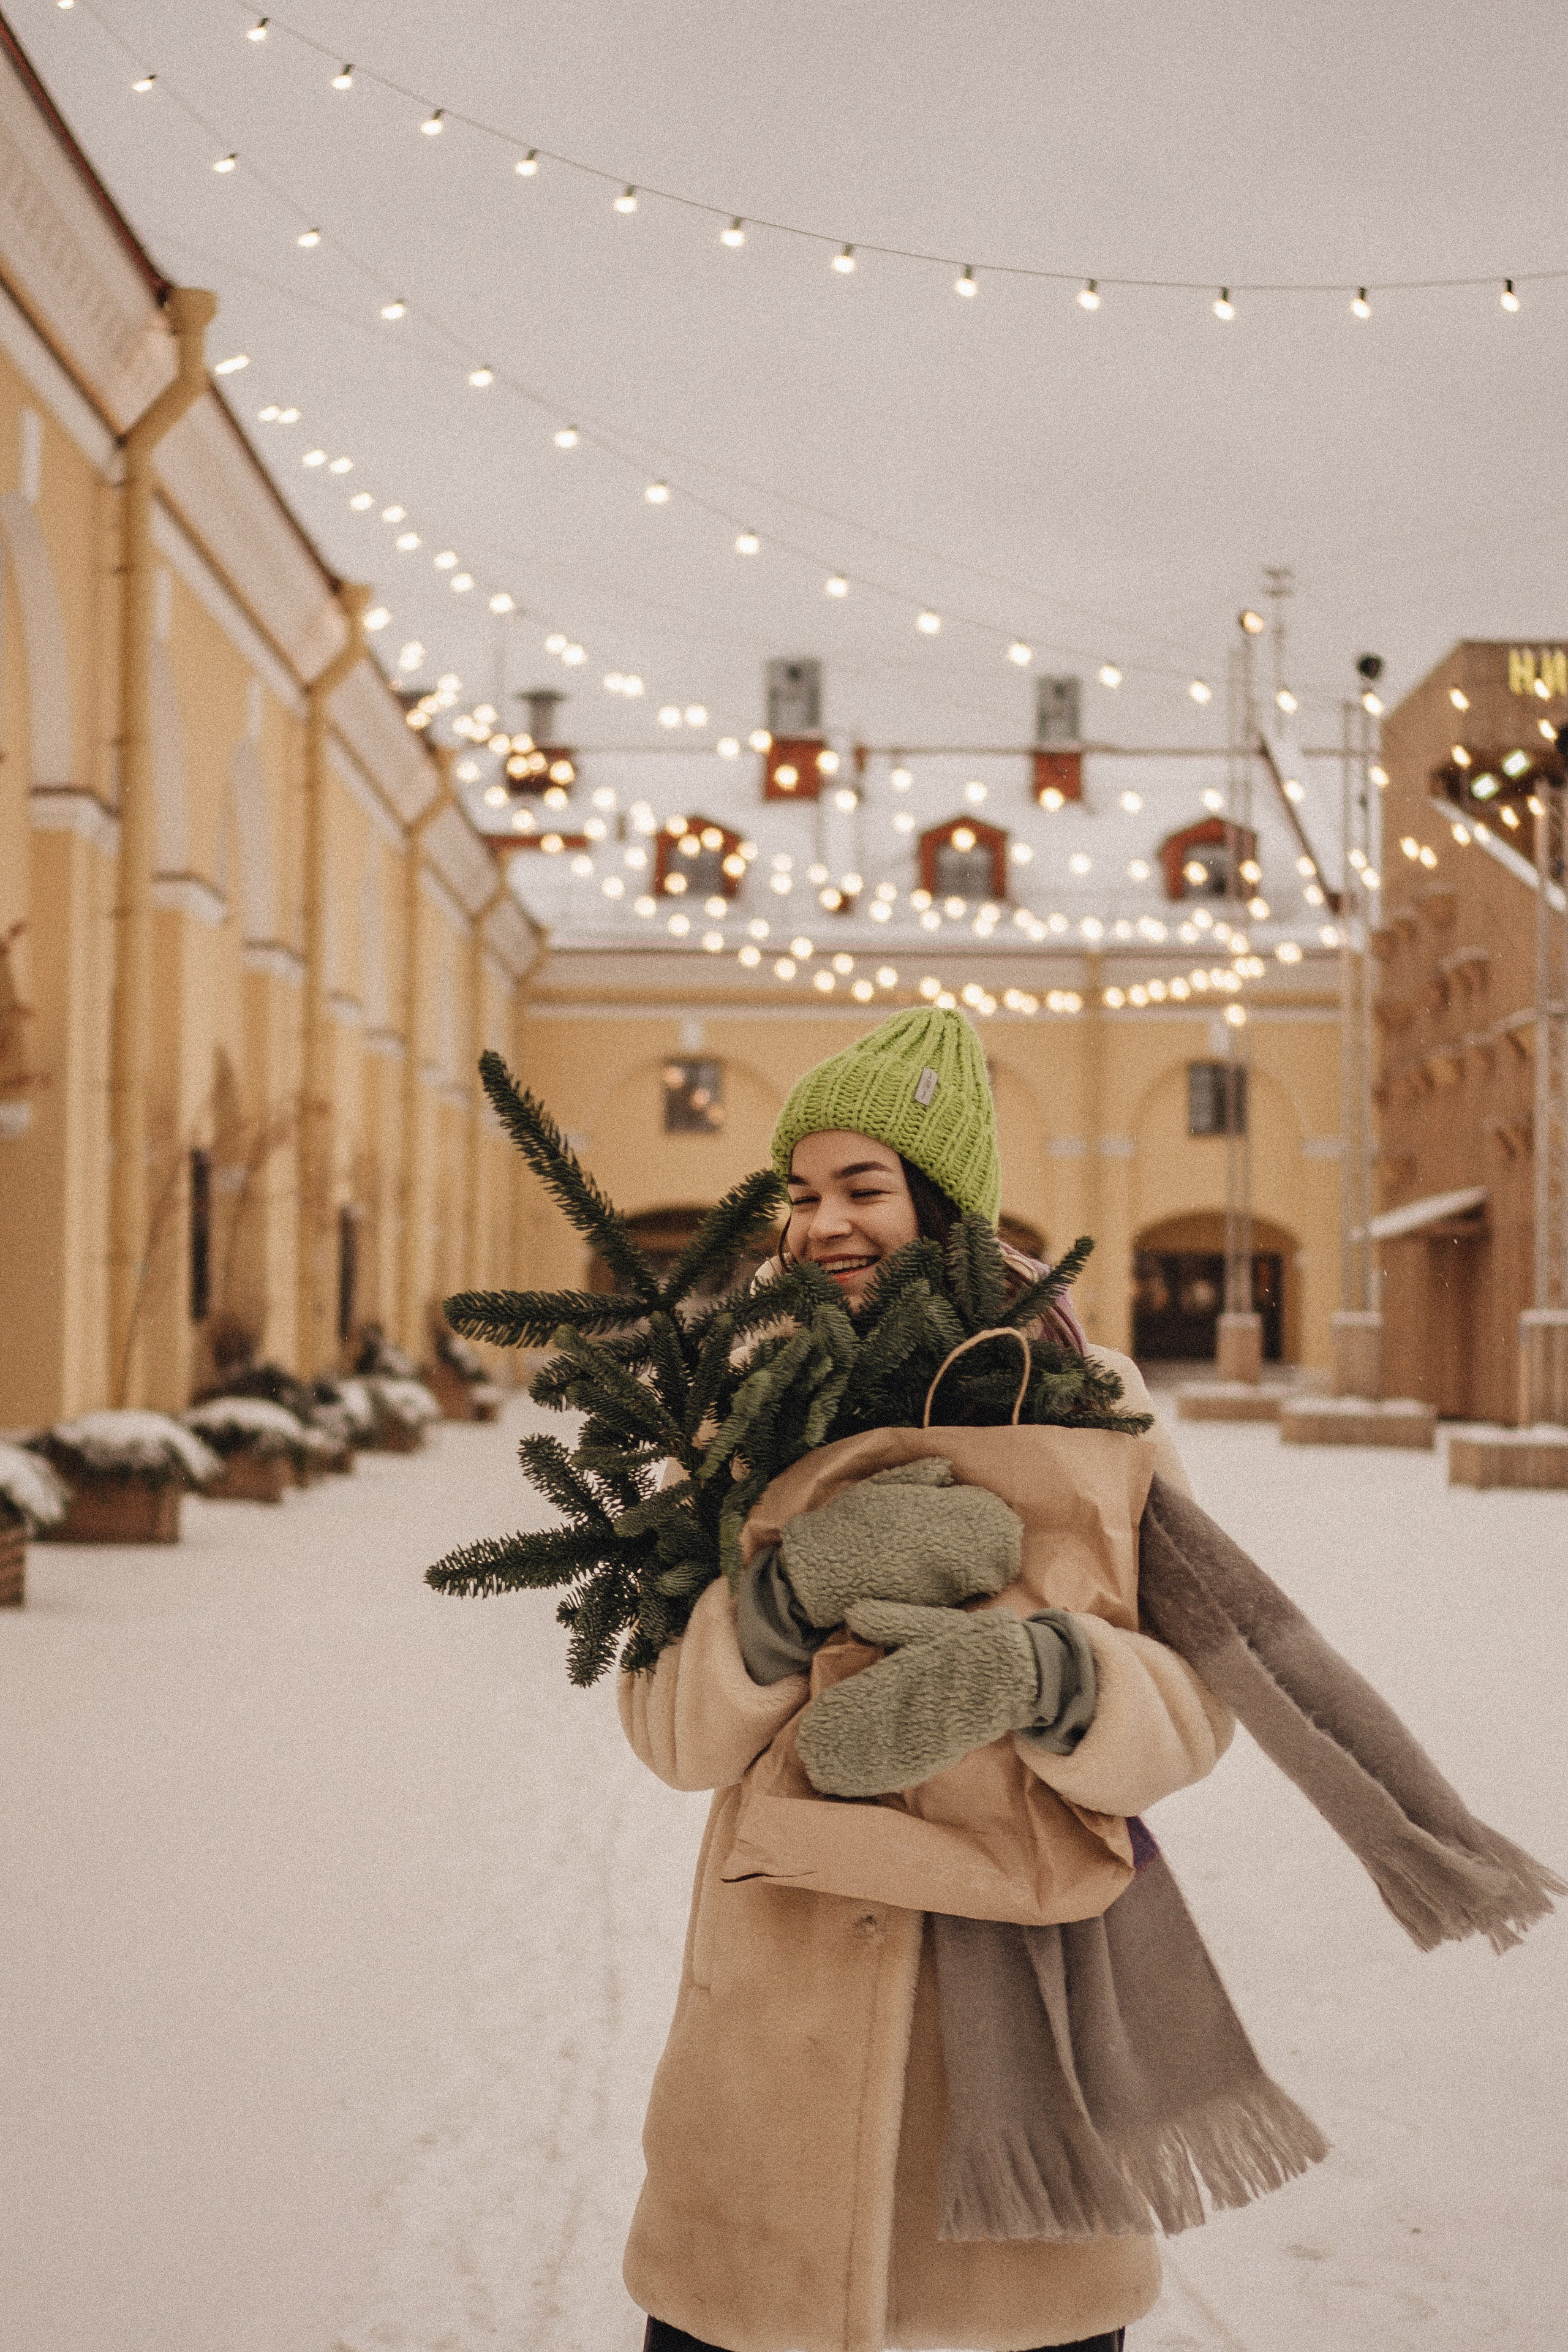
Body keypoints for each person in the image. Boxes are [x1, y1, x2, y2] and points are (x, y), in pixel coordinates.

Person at [618, 1007, 1232, 2352]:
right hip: (773, 2050)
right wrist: (782, 1599)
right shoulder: (741, 1407)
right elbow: (668, 1732)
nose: (823, 1223)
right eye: (801, 1193)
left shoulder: (1087, 1398)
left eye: (863, 1186)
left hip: (1013, 2067)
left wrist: (1049, 1674)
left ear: (943, 1204)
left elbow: (1194, 1708)